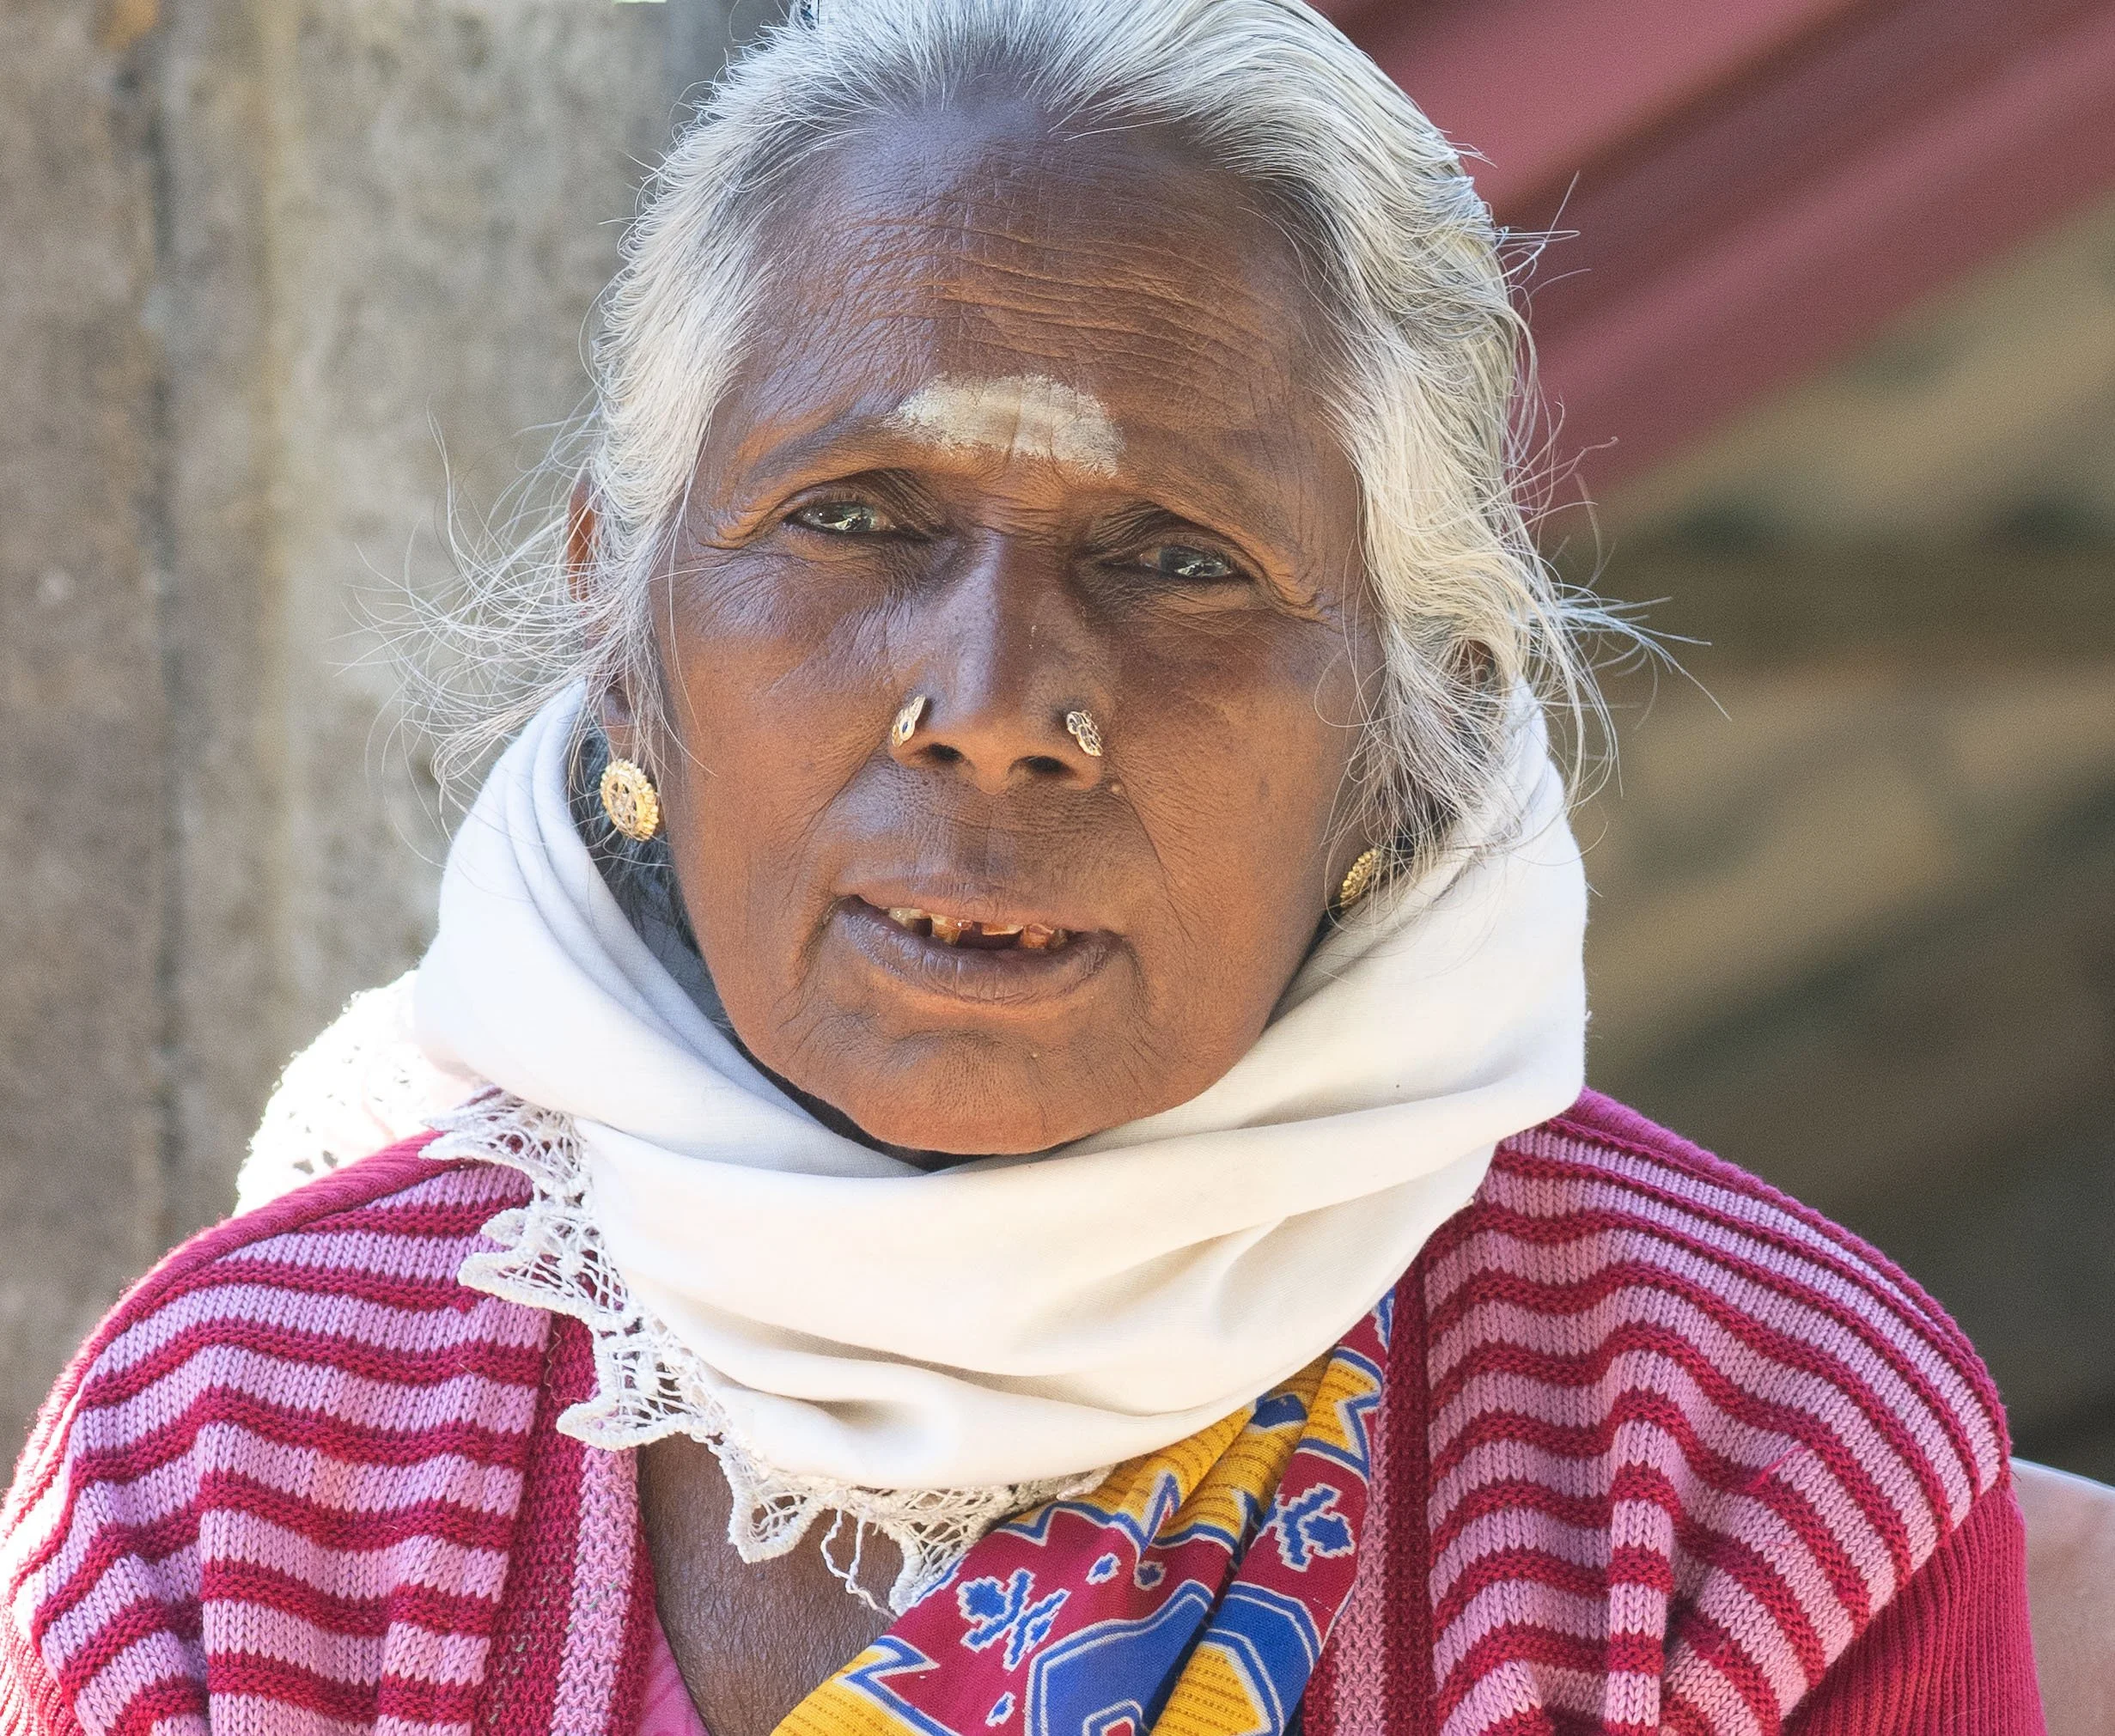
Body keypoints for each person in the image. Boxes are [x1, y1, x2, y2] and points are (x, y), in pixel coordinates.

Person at [0, 3, 2048, 1733]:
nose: (991, 702)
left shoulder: (1745, 1459)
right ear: (627, 648)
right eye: (861, 517)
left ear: (1403, 721)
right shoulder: (238, 1458)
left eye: (1176, 560)